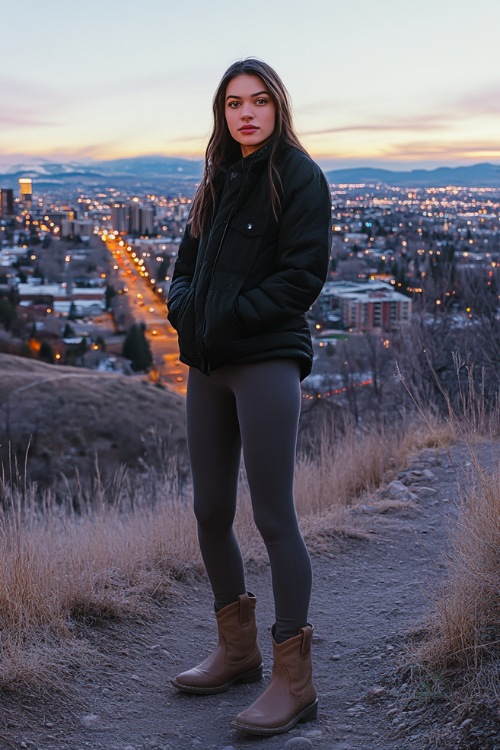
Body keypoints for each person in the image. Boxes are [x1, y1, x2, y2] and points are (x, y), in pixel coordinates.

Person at [167, 57, 332, 736]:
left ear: (278, 107)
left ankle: (293, 682)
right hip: (207, 363)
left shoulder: (299, 177)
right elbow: (182, 267)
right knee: (209, 509)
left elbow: (302, 279)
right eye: (235, 102)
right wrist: (186, 310)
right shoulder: (217, 179)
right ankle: (236, 653)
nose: (247, 113)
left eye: (259, 100)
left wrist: (228, 316)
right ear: (222, 112)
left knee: (272, 516)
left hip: (264, 361)